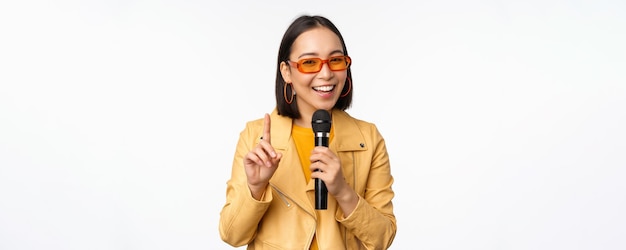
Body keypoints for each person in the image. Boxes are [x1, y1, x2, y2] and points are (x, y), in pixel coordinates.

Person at [219, 15, 396, 249]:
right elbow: (232, 235)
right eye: (310, 63)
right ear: (286, 72)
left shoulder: (368, 138)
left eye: (335, 60)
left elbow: (382, 238)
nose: (326, 74)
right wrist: (255, 188)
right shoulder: (255, 137)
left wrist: (343, 192)